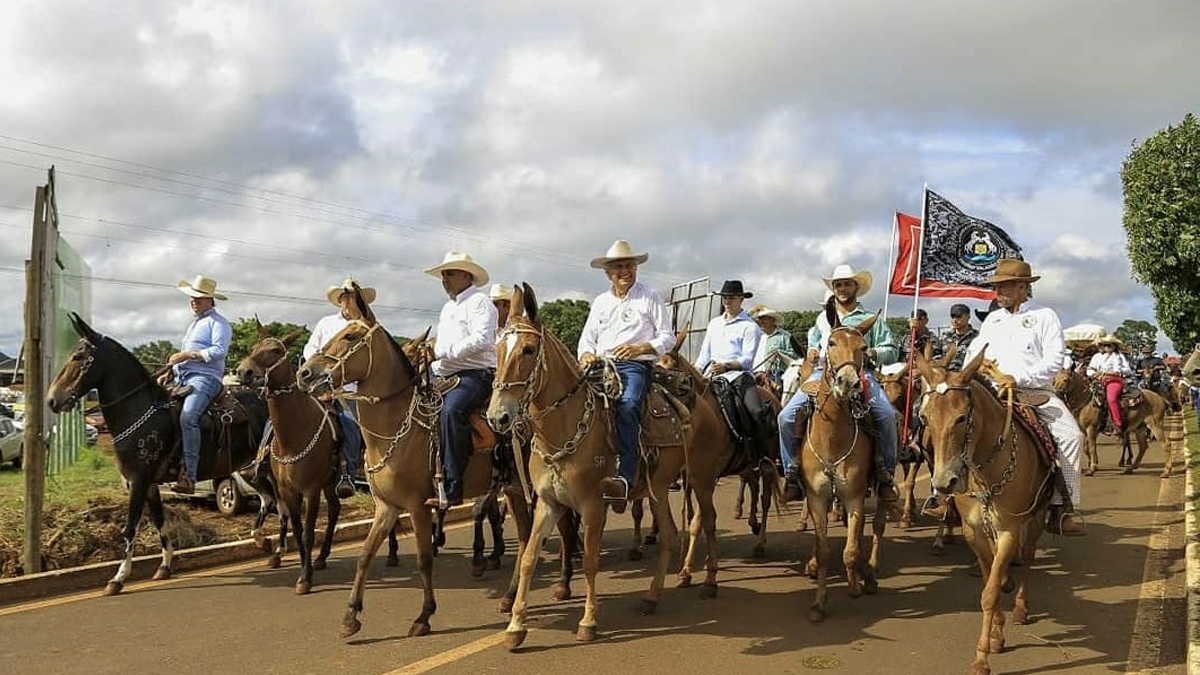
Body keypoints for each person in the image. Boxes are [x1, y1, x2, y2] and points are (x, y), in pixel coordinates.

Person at [964, 259, 1086, 535]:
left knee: (1072, 436)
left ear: (1022, 287)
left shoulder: (1045, 316)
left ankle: (1061, 507)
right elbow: (974, 353)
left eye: (1005, 286)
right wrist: (972, 367)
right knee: (950, 424)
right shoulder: (993, 320)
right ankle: (946, 498)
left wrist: (1018, 378)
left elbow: (1054, 360)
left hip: (1033, 393)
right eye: (997, 286)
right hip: (990, 392)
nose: (998, 291)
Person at [778, 264, 900, 512]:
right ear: (834, 289)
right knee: (785, 417)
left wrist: (873, 352)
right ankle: (792, 473)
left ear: (856, 287)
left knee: (887, 416)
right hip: (821, 374)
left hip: (861, 373)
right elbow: (813, 343)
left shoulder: (872, 320)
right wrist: (812, 352)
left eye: (847, 284)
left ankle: (885, 475)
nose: (842, 288)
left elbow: (892, 350)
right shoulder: (821, 319)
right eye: (838, 285)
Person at [578, 239, 675, 513]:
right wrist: (586, 354)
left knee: (628, 405)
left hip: (634, 366)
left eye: (629, 266)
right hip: (600, 366)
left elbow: (667, 337)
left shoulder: (649, 296)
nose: (625, 271)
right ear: (608, 272)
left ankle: (625, 476)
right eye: (619, 267)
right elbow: (586, 340)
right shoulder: (600, 302)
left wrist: (641, 348)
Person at [423, 252, 498, 508]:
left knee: (452, 411)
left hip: (475, 374)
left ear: (466, 275)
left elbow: (482, 340)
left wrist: (442, 352)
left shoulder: (480, 302)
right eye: (443, 275)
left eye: (450, 274)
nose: (444, 279)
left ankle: (453, 486)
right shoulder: (448, 308)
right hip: (442, 373)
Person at [298, 278, 373, 499]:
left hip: (349, 388)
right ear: (339, 300)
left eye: (352, 296)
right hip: (318, 383)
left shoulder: (366, 327)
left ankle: (347, 474)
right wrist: (319, 365)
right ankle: (263, 458)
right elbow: (310, 348)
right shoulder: (326, 323)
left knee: (350, 422)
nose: (348, 300)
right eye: (344, 296)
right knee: (283, 412)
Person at [164, 275, 233, 495]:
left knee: (188, 417)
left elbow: (219, 351)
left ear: (210, 300)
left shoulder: (219, 323)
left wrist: (188, 354)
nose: (193, 301)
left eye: (198, 298)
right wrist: (170, 371)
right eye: (192, 297)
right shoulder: (195, 324)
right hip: (182, 377)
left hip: (206, 378)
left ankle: (190, 476)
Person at [694, 280, 770, 461]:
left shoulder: (750, 326)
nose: (727, 301)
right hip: (711, 376)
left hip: (738, 376)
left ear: (741, 299)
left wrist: (726, 366)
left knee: (756, 411)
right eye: (725, 297)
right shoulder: (714, 324)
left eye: (732, 297)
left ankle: (763, 456)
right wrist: (695, 372)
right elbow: (704, 355)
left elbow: (747, 360)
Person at [1086, 335, 1133, 435]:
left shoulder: (1118, 356)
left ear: (1114, 346)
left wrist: (1110, 373)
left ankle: (1117, 423)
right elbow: (1090, 369)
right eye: (1104, 345)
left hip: (1113, 381)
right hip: (1097, 381)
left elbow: (1127, 370)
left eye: (1109, 345)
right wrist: (1094, 374)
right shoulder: (1097, 356)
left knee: (1111, 399)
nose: (1106, 347)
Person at [751, 305, 799, 389]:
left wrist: (780, 353)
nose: (761, 321)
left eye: (764, 318)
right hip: (754, 374)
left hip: (776, 375)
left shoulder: (785, 336)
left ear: (773, 320)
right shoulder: (755, 336)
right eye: (760, 318)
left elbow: (795, 357)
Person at [941, 303, 980, 371]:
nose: (955, 320)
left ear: (968, 317)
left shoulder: (977, 337)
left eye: (958, 317)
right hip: (946, 375)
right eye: (952, 317)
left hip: (968, 375)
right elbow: (935, 357)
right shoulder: (944, 337)